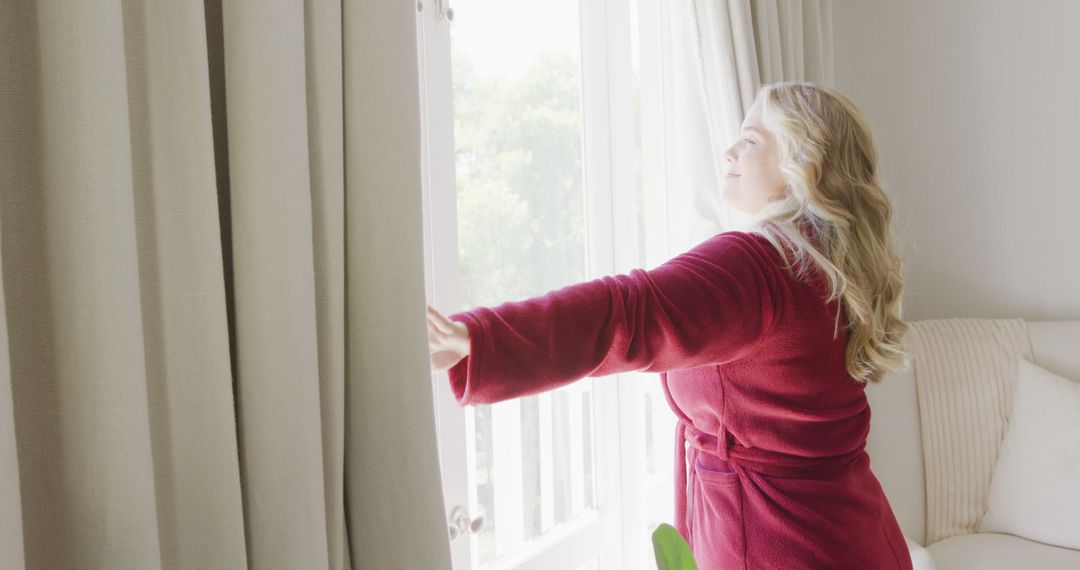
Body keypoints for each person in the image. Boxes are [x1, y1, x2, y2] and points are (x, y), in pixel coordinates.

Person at [427, 81, 914, 570]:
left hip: (785, 547)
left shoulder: (759, 266)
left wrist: (486, 339)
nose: (729, 151)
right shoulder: (830, 262)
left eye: (749, 139)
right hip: (858, 536)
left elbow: (627, 310)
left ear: (802, 164)